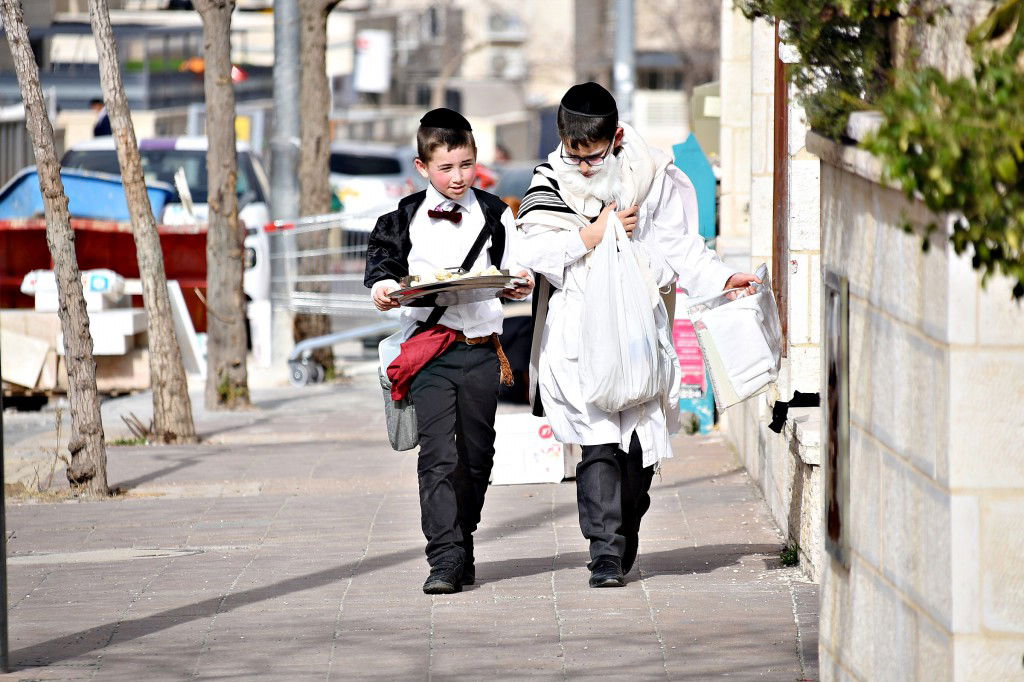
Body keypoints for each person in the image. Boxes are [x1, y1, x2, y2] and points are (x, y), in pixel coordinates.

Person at [516, 82, 760, 588]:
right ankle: (603, 553)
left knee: (637, 451)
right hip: (580, 332)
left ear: (617, 137)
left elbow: (680, 245)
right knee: (597, 442)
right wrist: (592, 235)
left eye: (594, 156)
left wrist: (721, 278)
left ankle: (625, 528)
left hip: (640, 329)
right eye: (574, 155)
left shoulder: (651, 176)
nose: (584, 167)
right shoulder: (548, 182)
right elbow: (532, 252)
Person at [365, 108, 534, 594]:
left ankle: (463, 537)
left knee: (476, 458)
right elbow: (381, 268)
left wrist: (517, 285)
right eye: (446, 168)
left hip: (482, 351)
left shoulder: (499, 213)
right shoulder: (401, 218)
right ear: (422, 167)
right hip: (430, 352)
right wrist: (382, 288)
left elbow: (517, 274)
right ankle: (443, 558)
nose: (458, 177)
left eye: (466, 165)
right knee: (438, 456)